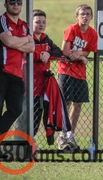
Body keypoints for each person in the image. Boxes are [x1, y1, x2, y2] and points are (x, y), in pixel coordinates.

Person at [0, 0, 35, 158]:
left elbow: (32, 48)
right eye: (12, 2)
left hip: (16, 74)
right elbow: (8, 42)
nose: (16, 5)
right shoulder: (0, 21)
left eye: (18, 2)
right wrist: (22, 41)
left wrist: (16, 41)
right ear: (6, 5)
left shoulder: (24, 25)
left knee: (15, 110)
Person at [56, 4, 98, 151]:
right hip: (66, 70)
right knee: (66, 102)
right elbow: (65, 50)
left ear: (91, 16)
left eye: (88, 14)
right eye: (82, 14)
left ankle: (71, 134)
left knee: (78, 104)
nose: (85, 16)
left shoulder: (92, 33)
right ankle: (62, 135)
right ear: (77, 16)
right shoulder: (71, 29)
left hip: (80, 73)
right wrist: (78, 56)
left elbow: (88, 51)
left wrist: (79, 55)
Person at [32, 9, 69, 144]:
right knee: (31, 117)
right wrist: (39, 54)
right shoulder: (27, 38)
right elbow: (25, 54)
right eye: (37, 22)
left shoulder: (46, 38)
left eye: (43, 22)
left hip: (44, 86)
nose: (41, 25)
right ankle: (24, 143)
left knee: (45, 113)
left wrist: (48, 54)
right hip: (29, 87)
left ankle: (43, 139)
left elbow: (58, 51)